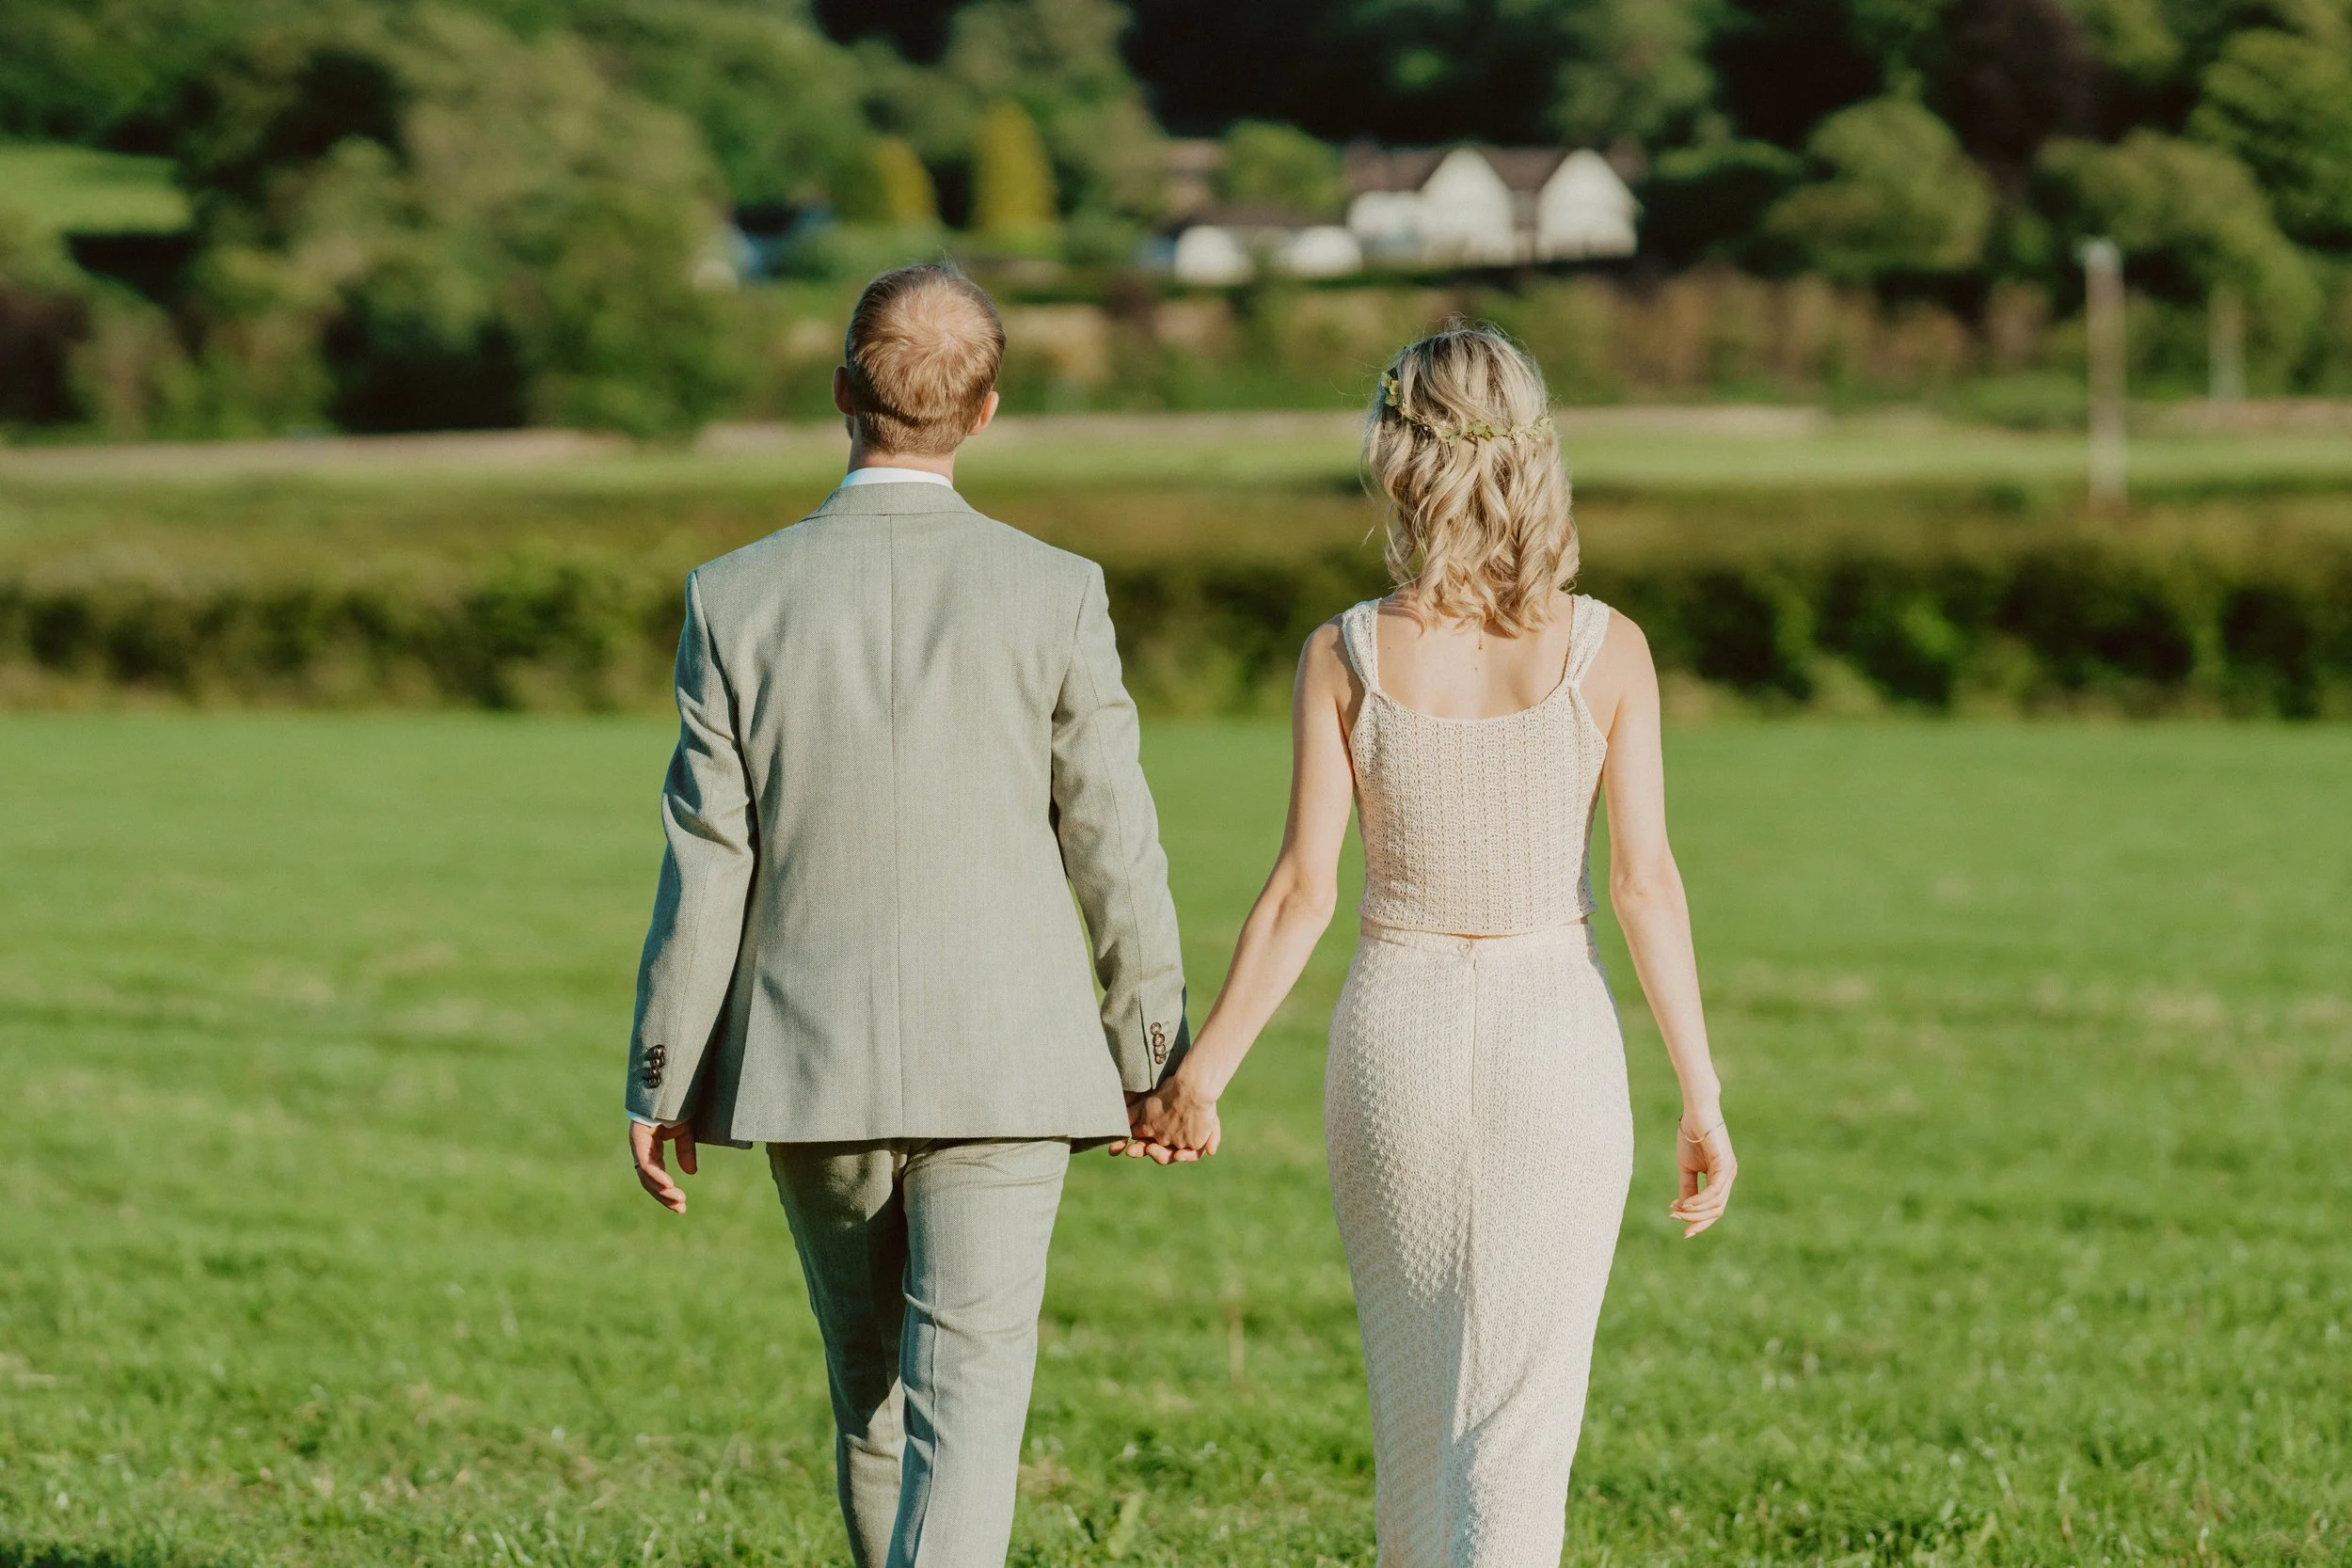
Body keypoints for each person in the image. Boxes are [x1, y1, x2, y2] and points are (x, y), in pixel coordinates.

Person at [1124, 325, 1738, 1565]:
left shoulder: (1344, 652)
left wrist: (1199, 1080)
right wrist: (1703, 1092)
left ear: (1398, 460)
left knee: (1415, 1423)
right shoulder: (1607, 649)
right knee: (1515, 1433)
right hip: (1550, 1038)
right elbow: (1645, 884)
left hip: (1393, 1034)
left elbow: (1303, 889)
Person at [622, 262, 1191, 1568]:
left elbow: (708, 856)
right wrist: (1155, 1051)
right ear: (984, 409)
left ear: (841, 395)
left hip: (807, 1063)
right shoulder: (1055, 588)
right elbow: (1114, 836)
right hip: (1008, 1059)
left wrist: (660, 1076)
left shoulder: (734, 594)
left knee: (871, 1400)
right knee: (968, 1408)